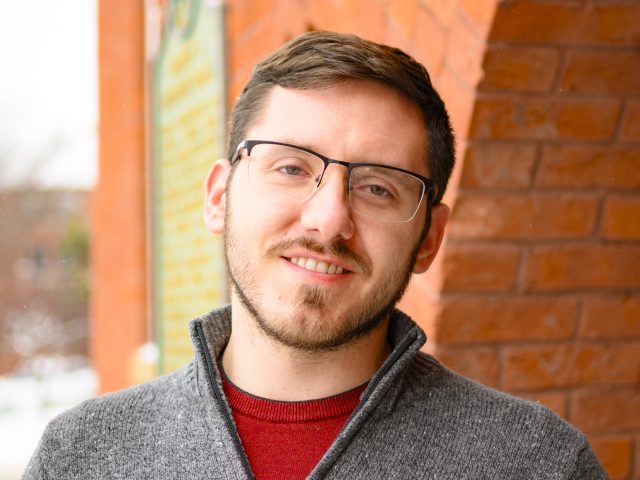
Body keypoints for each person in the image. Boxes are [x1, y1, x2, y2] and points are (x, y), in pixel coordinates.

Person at [24, 31, 606, 480]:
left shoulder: (537, 464)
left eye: (379, 187)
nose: (329, 219)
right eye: (291, 167)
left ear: (429, 238)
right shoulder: (82, 456)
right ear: (220, 197)